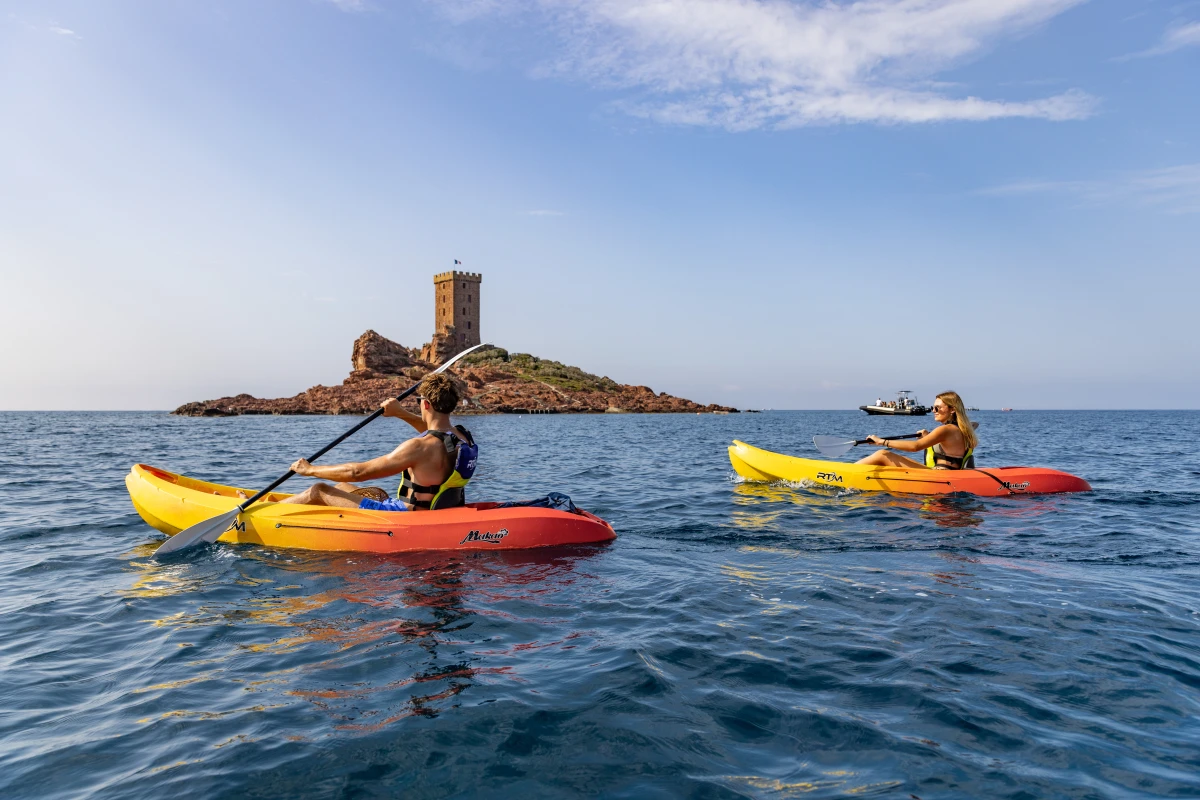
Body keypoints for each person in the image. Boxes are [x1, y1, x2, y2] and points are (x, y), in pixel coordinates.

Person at [259, 373, 478, 511]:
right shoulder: (462, 437)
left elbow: (359, 472)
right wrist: (400, 413)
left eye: (420, 402)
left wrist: (310, 469)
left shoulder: (418, 447)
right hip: (437, 510)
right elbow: (435, 434)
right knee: (343, 487)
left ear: (426, 404)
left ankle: (266, 512)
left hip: (406, 515)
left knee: (319, 489)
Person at [856, 390, 977, 469]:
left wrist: (881, 441)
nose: (933, 411)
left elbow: (915, 446)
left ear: (952, 409)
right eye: (933, 408)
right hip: (949, 473)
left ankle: (844, 473)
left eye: (938, 408)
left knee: (883, 454)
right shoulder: (961, 429)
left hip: (940, 475)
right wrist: (927, 436)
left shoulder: (946, 429)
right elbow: (949, 446)